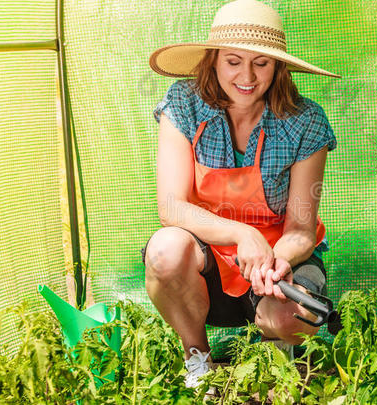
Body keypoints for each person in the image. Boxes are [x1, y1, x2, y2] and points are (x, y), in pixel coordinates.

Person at [142, 0, 340, 389]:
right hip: (209, 258)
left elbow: (300, 227)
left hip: (278, 262)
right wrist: (241, 234)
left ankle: (276, 351)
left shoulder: (305, 122)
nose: (247, 76)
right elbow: (171, 207)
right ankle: (198, 360)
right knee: (165, 251)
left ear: (278, 66)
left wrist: (276, 261)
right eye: (233, 61)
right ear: (213, 60)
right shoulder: (184, 104)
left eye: (261, 63)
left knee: (290, 319)